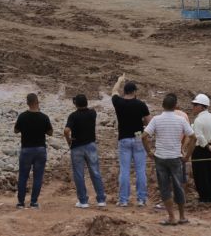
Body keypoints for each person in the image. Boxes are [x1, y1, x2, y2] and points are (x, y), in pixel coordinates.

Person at [142, 93, 195, 226]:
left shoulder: (156, 119)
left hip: (160, 157)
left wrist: (149, 152)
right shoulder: (181, 120)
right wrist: (187, 156)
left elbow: (144, 136)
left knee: (165, 187)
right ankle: (182, 216)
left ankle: (171, 217)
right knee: (178, 186)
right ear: (175, 106)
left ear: (162, 105)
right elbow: (193, 138)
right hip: (176, 157)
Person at [111, 74, 149, 207]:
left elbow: (114, 92)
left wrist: (119, 80)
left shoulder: (118, 102)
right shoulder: (141, 104)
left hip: (123, 138)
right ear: (134, 91)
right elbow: (148, 123)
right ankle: (141, 199)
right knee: (140, 170)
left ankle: (123, 200)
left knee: (125, 170)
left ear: (124, 91)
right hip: (138, 137)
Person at [64, 94, 106, 209]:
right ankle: (101, 199)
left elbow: (66, 130)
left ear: (75, 104)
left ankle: (83, 201)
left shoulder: (73, 116)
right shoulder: (92, 113)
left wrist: (69, 141)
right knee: (95, 172)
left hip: (77, 146)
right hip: (91, 145)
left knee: (79, 174)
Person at [14, 93, 53, 209]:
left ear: (27, 103)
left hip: (26, 149)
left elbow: (16, 130)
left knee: (23, 176)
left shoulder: (22, 116)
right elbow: (50, 132)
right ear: (37, 102)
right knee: (38, 177)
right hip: (40, 149)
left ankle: (21, 202)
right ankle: (34, 202)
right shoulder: (44, 117)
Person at [190, 94, 211, 203]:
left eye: (195, 105)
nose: (193, 107)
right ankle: (210, 195)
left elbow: (199, 137)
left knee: (200, 174)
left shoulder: (198, 120)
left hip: (201, 149)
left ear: (202, 106)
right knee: (209, 172)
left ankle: (204, 197)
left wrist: (206, 146)